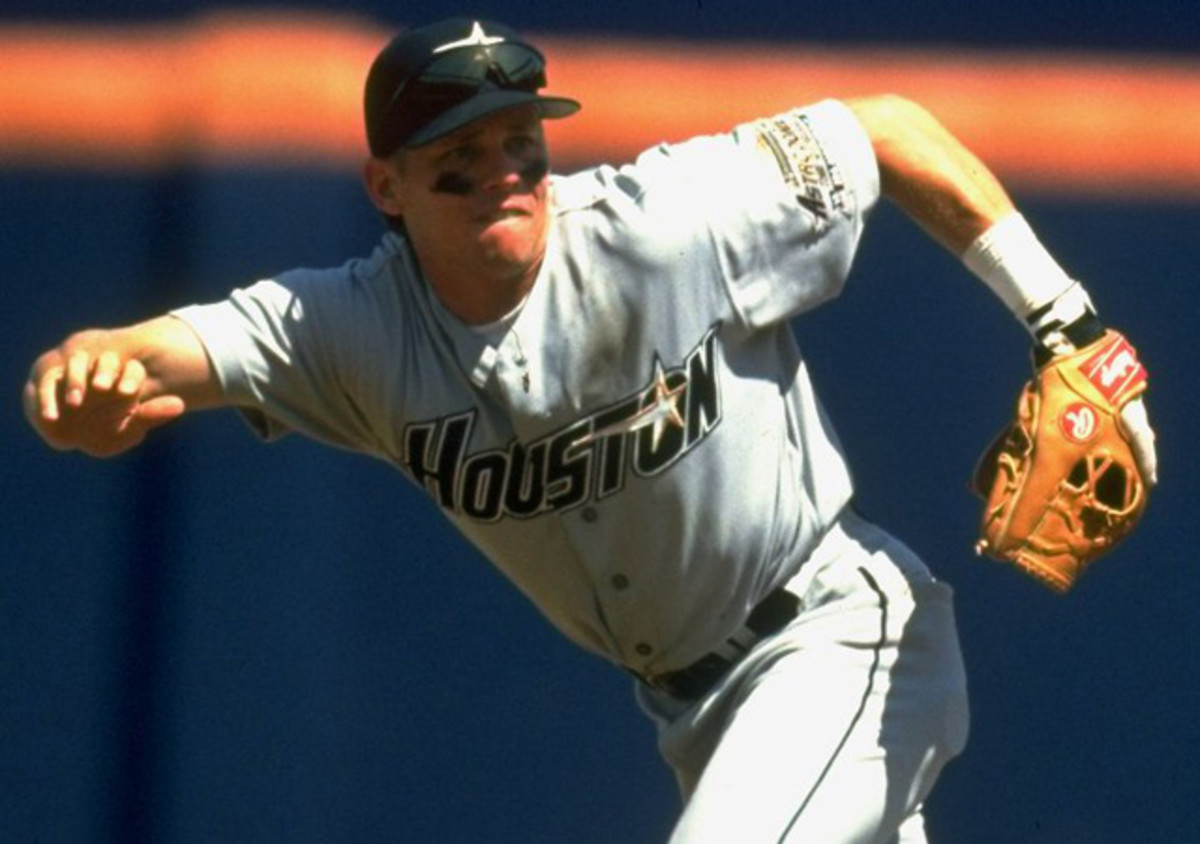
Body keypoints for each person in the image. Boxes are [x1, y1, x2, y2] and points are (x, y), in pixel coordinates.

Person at [23, 17, 1156, 843]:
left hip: (840, 643)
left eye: (520, 138)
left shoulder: (664, 222)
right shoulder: (354, 331)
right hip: (694, 712)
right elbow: (135, 355)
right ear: (386, 186)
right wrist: (79, 393)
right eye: (458, 158)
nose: (503, 173)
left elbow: (892, 134)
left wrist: (1070, 325)